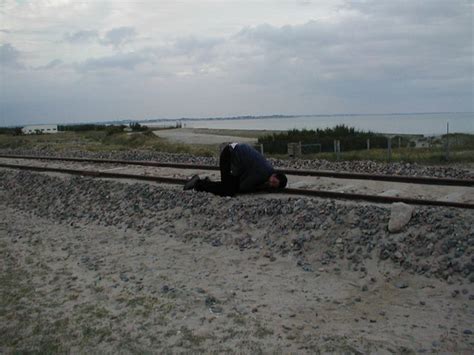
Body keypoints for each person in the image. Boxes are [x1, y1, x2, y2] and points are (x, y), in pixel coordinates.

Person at [183, 143, 287, 197]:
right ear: (274, 175)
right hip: (229, 154)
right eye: (273, 181)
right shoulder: (263, 174)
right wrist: (260, 188)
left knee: (230, 186)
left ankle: (206, 183)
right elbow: (243, 187)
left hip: (235, 154)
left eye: (273, 185)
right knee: (228, 190)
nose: (271, 183)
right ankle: (197, 183)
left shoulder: (268, 170)